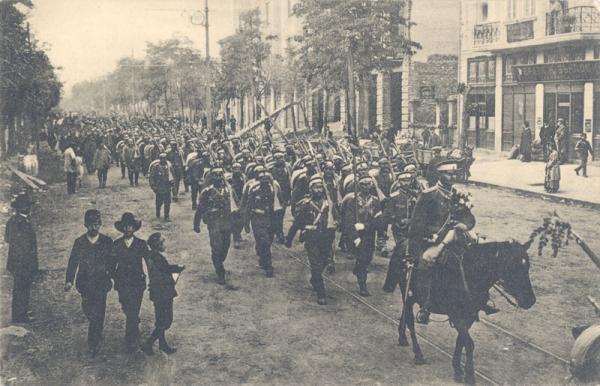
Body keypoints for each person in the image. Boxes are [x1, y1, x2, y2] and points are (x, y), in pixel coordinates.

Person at [65, 209, 113, 357]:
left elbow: (112, 261)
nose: (94, 228)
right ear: (86, 225)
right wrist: (69, 280)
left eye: (96, 225)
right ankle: (96, 330)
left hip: (101, 283)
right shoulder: (79, 242)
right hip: (85, 284)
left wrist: (111, 275)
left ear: (100, 224)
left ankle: (93, 343)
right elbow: (73, 262)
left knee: (99, 312)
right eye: (91, 225)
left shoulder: (106, 241)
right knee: (89, 310)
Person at [286, 175, 334, 305]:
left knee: (324, 261)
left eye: (320, 187)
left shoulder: (329, 203)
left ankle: (315, 279)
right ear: (311, 189)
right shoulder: (305, 205)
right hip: (311, 239)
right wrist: (289, 238)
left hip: (326, 238)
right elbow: (297, 223)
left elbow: (337, 218)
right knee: (316, 265)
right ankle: (321, 292)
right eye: (315, 187)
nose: (318, 190)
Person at [140, 233, 185, 355]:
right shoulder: (157, 258)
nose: (165, 244)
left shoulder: (152, 256)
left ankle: (162, 344)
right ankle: (148, 344)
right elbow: (166, 269)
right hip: (163, 292)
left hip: (158, 291)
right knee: (166, 321)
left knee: (161, 319)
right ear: (158, 245)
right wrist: (178, 268)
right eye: (163, 242)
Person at [111, 213, 149, 352]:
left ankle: (130, 339)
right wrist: (114, 276)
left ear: (134, 228)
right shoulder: (116, 245)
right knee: (126, 306)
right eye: (126, 227)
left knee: (133, 310)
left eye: (130, 227)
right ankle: (133, 321)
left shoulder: (141, 244)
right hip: (122, 283)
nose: (128, 229)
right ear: (122, 229)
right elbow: (111, 264)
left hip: (137, 282)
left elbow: (149, 262)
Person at [340, 175, 383, 296]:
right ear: (359, 185)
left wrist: (365, 226)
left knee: (368, 258)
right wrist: (355, 237)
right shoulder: (353, 200)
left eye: (368, 184)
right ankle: (362, 285)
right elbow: (348, 221)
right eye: (363, 184)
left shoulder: (375, 201)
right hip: (357, 236)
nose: (366, 187)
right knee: (362, 259)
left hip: (369, 235)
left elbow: (379, 220)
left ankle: (358, 270)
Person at [194, 168, 234, 285]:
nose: (218, 178)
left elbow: (235, 204)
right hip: (214, 223)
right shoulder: (207, 191)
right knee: (216, 247)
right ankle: (219, 271)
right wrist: (196, 224)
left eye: (220, 175)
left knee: (225, 247)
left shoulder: (229, 189)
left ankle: (219, 262)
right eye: (215, 175)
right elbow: (200, 208)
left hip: (226, 222)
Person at [5, 193, 38, 324]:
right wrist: (27, 263)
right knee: (22, 288)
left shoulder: (13, 221)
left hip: (17, 261)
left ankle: (21, 311)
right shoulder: (22, 222)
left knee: (21, 287)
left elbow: (7, 239)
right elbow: (23, 245)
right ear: (24, 208)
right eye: (28, 206)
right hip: (23, 262)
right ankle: (20, 315)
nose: (29, 208)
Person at [149, 153, 174, 222]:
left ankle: (166, 216)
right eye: (162, 158)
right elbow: (151, 177)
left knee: (167, 203)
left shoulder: (169, 166)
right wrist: (153, 186)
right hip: (159, 187)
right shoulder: (156, 167)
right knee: (159, 202)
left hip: (167, 187)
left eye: (165, 158)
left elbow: (172, 176)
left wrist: (172, 183)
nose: (163, 160)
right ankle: (158, 212)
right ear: (160, 159)